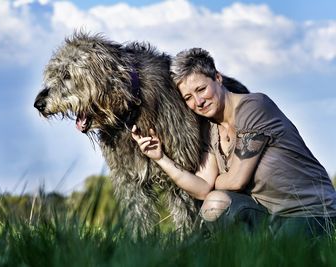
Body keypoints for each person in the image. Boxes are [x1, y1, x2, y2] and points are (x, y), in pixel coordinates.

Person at [131, 48, 336, 236]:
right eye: (188, 97)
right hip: (270, 216)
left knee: (285, 251)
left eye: (201, 89)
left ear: (218, 78)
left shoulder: (254, 107)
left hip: (312, 213)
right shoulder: (211, 128)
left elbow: (237, 180)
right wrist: (160, 158)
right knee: (215, 202)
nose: (198, 102)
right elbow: (203, 188)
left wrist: (217, 181)